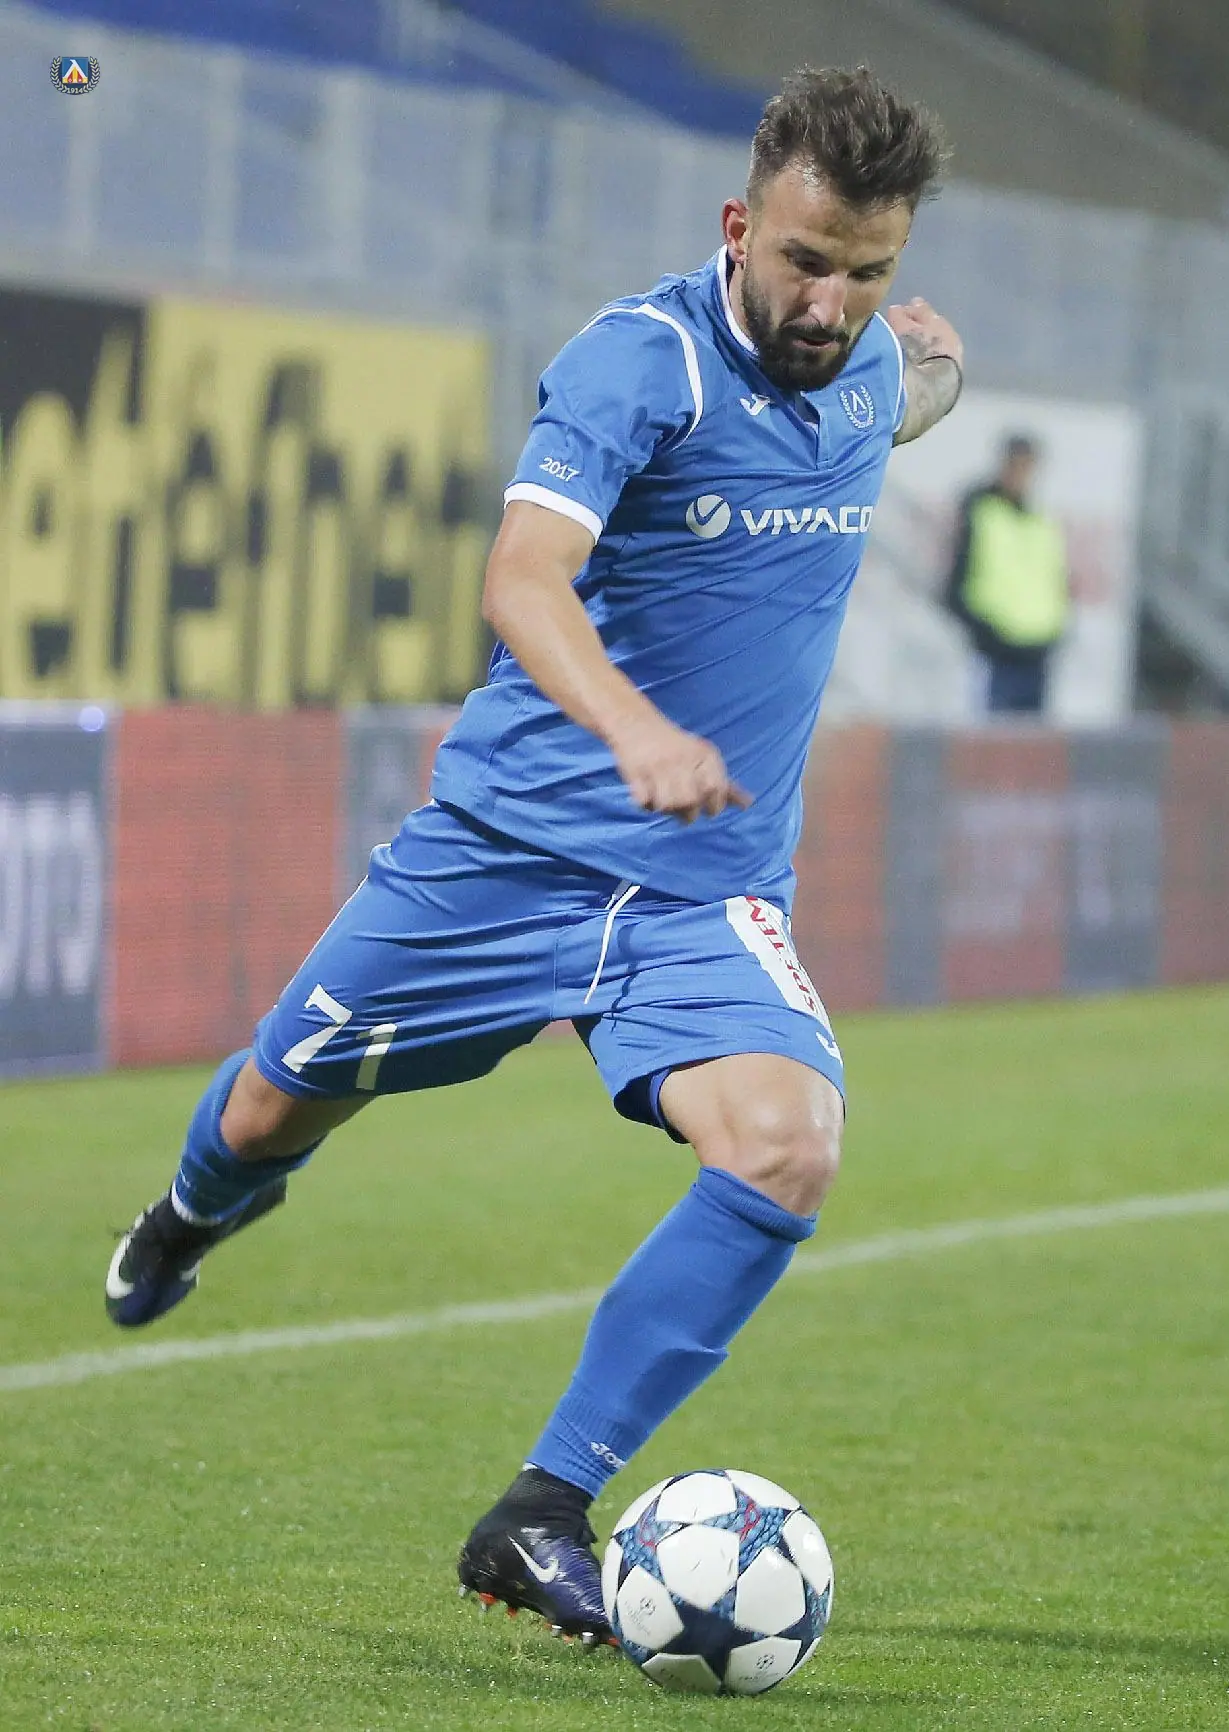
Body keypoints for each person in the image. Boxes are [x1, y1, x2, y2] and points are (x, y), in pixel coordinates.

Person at [104, 65, 963, 1646]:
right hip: (501, 859)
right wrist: (634, 730)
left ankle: (540, 1507)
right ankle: (189, 1214)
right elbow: (521, 577)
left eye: (866, 273)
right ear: (738, 225)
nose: (828, 304)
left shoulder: (863, 365)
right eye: (804, 261)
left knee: (787, 1146)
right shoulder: (640, 363)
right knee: (274, 1104)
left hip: (700, 890)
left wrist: (934, 364)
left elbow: (900, 392)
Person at [943, 434, 1069, 714]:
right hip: (996, 649)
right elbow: (958, 579)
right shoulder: (981, 511)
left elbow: (1052, 581)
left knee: (1030, 735)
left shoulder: (1040, 520)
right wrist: (981, 629)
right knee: (992, 731)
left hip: (1037, 649)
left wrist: (1056, 629)